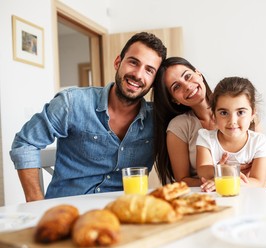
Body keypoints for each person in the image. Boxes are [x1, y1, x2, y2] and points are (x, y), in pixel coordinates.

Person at [10, 32, 167, 202]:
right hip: (67, 210)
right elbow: (25, 143)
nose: (138, 74)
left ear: (154, 80)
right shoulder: (72, 102)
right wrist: (35, 203)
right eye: (133, 62)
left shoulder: (157, 119)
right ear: (117, 62)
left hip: (123, 213)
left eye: (149, 70)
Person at [153, 57, 266, 188]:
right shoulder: (182, 127)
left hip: (247, 191)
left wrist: (241, 184)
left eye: (187, 76)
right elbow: (183, 181)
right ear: (174, 99)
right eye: (176, 87)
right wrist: (223, 177)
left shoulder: (245, 115)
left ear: (198, 74)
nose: (187, 86)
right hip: (205, 194)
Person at [196, 76, 266, 192]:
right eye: (224, 113)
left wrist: (226, 179)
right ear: (214, 115)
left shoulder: (259, 142)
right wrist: (226, 171)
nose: (232, 121)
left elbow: (258, 182)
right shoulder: (205, 138)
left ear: (253, 113)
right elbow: (202, 170)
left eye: (241, 112)